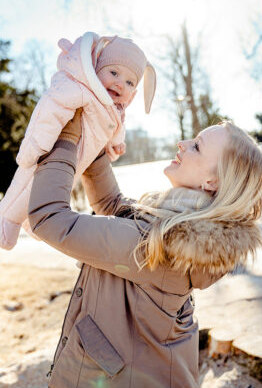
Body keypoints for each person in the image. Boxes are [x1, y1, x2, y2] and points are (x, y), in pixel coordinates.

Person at [28, 110, 262, 388]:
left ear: (212, 182)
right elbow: (114, 206)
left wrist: (67, 138)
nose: (182, 143)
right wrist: (95, 145)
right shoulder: (178, 227)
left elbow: (49, 218)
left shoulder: (162, 246)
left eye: (197, 146)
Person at [0, 32, 156, 250]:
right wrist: (36, 145)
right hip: (51, 150)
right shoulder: (79, 88)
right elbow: (49, 109)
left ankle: (28, 222)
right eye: (113, 72)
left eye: (129, 82)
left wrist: (114, 143)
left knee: (51, 193)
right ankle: (5, 220)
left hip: (75, 161)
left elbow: (114, 126)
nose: (120, 83)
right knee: (27, 183)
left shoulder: (113, 108)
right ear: (96, 68)